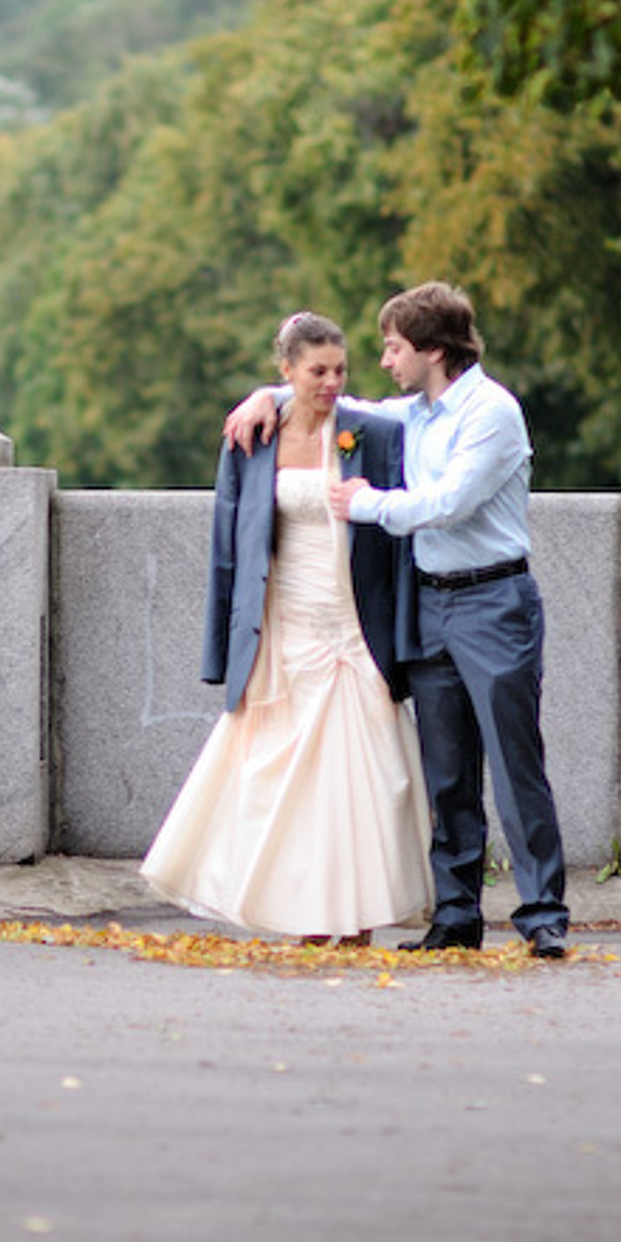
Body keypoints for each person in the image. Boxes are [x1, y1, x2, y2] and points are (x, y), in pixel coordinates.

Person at [226, 281, 570, 958]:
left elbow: (449, 502)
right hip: (431, 606)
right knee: (447, 772)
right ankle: (457, 918)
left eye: (393, 348)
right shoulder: (415, 414)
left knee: (514, 764)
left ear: (432, 350)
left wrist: (365, 503)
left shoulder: (492, 412)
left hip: (493, 602)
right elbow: (336, 401)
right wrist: (266, 396)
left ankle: (542, 916)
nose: (384, 361)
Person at [141, 312, 433, 944]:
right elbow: (228, 546)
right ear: (288, 371)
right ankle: (303, 912)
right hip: (283, 620)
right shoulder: (252, 438)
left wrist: (404, 635)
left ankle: (359, 914)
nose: (331, 383)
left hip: (355, 620)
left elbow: (401, 546)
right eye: (317, 371)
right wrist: (224, 644)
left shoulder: (373, 433)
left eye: (340, 370)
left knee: (365, 772)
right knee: (283, 772)